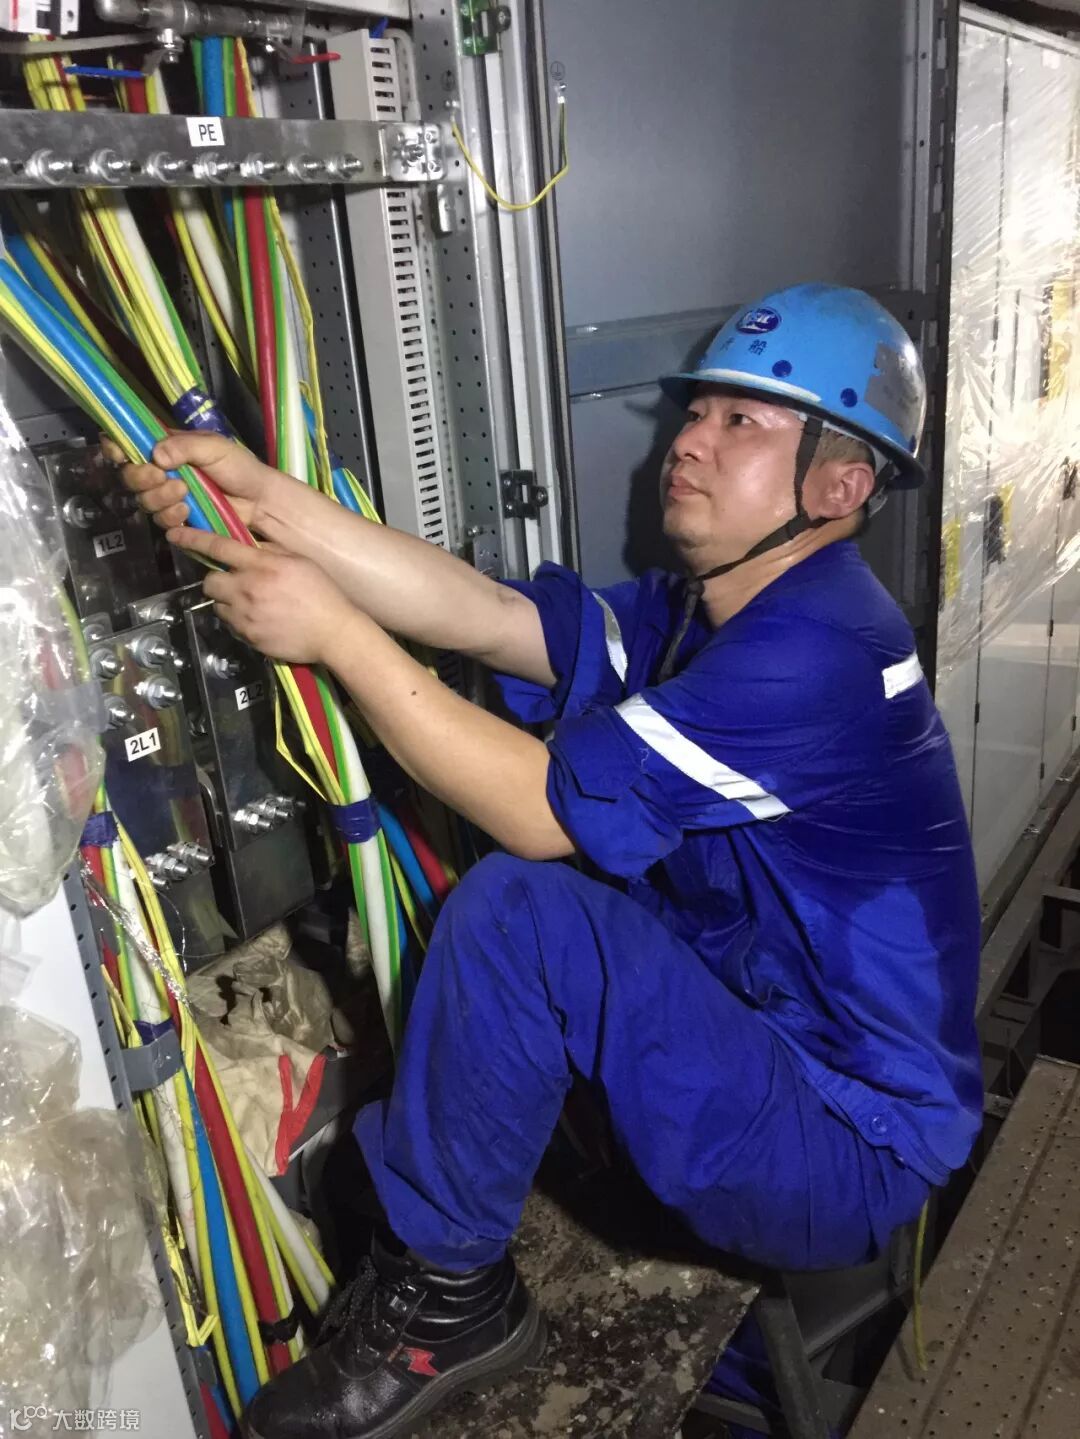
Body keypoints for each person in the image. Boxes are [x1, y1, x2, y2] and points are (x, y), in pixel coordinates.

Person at [112, 283, 982, 1439]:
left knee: (525, 907)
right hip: (769, 1044)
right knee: (565, 894)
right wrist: (264, 498)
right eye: (698, 410)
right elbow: (483, 614)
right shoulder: (708, 614)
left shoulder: (819, 648)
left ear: (840, 484)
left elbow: (537, 811)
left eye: (743, 421)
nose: (690, 438)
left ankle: (451, 1300)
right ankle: (453, 1231)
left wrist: (335, 635)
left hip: (844, 1135)